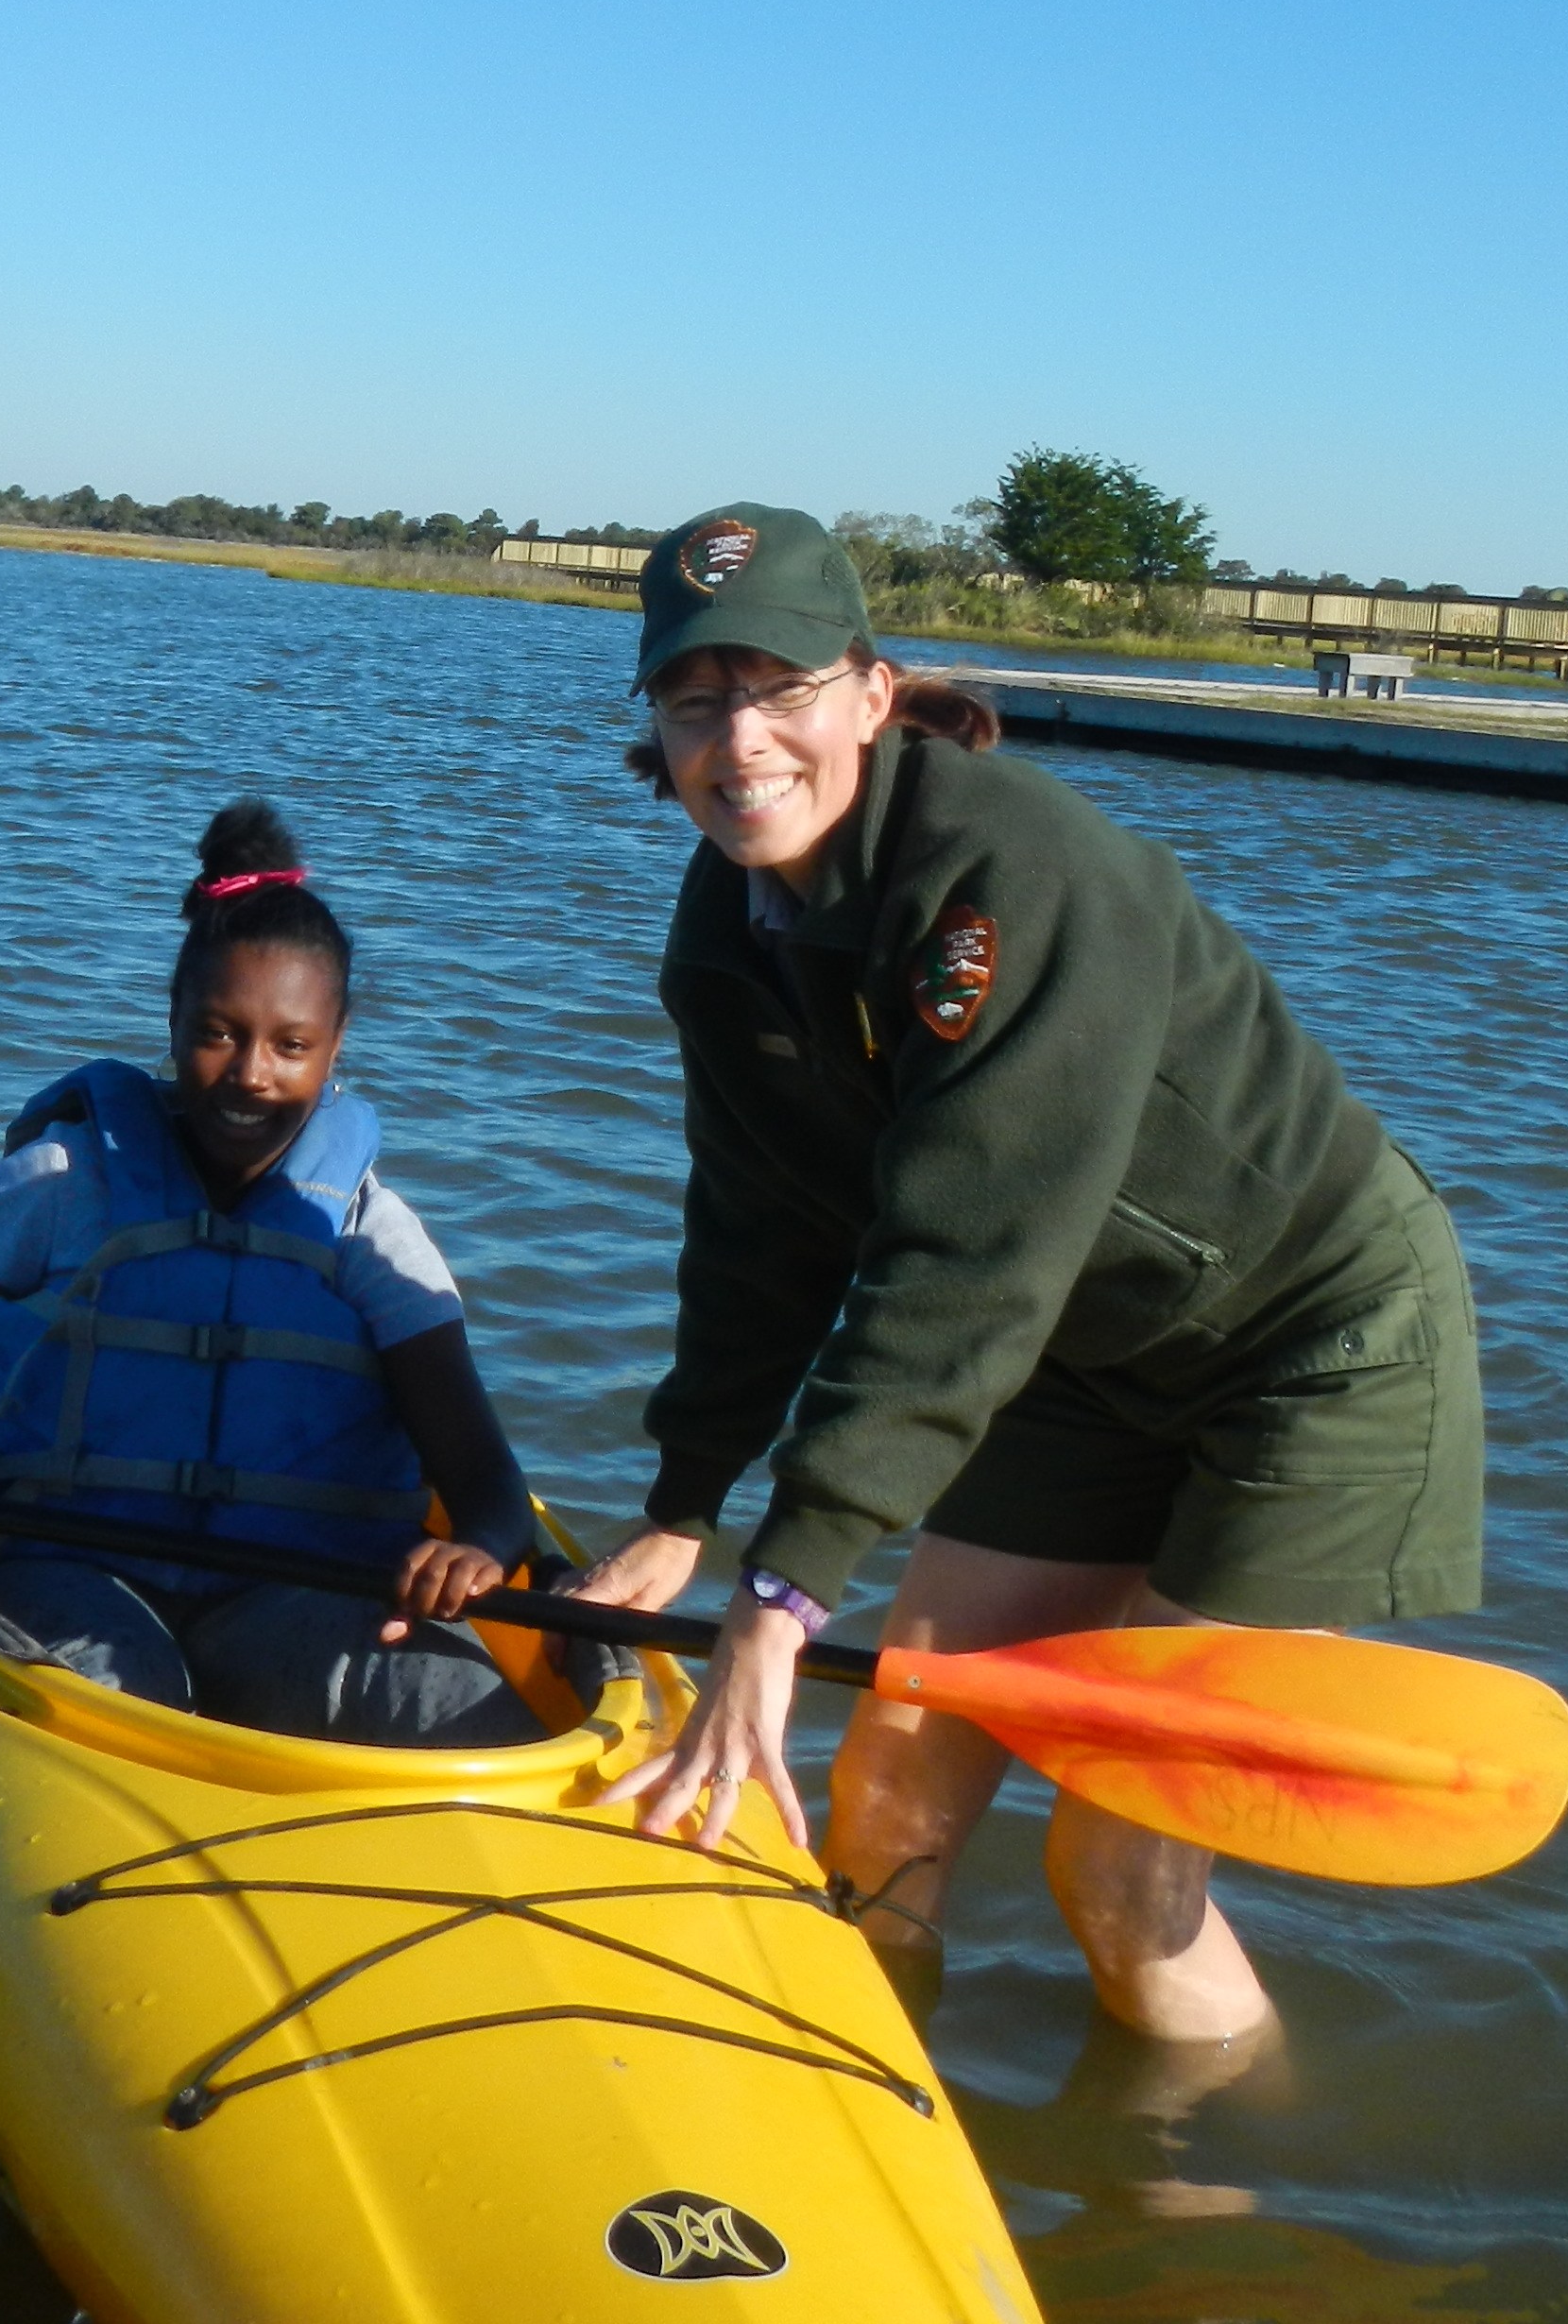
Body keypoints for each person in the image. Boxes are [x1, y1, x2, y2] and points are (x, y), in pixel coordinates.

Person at [573, 504, 1484, 2042]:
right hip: (1081, 1360)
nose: (740, 743)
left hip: (1309, 1348)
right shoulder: (724, 926)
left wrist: (781, 1593)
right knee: (880, 1802)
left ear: (869, 691)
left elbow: (962, 1260)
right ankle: (875, 2125)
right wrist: (684, 1505)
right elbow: (757, 1232)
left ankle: (1186, 2217)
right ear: (655, 729)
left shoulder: (1016, 880)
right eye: (694, 701)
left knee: (1117, 1862)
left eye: (781, 687)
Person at [0, 799, 540, 1749]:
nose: (251, 1071)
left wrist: (483, 1549)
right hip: (73, 1572)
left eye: (290, 1045)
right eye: (218, 1033)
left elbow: (484, 1475)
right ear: (171, 1025)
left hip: (293, 1592)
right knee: (127, 1706)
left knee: (466, 1713)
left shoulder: (374, 1236)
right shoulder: (62, 1185)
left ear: (335, 1051)